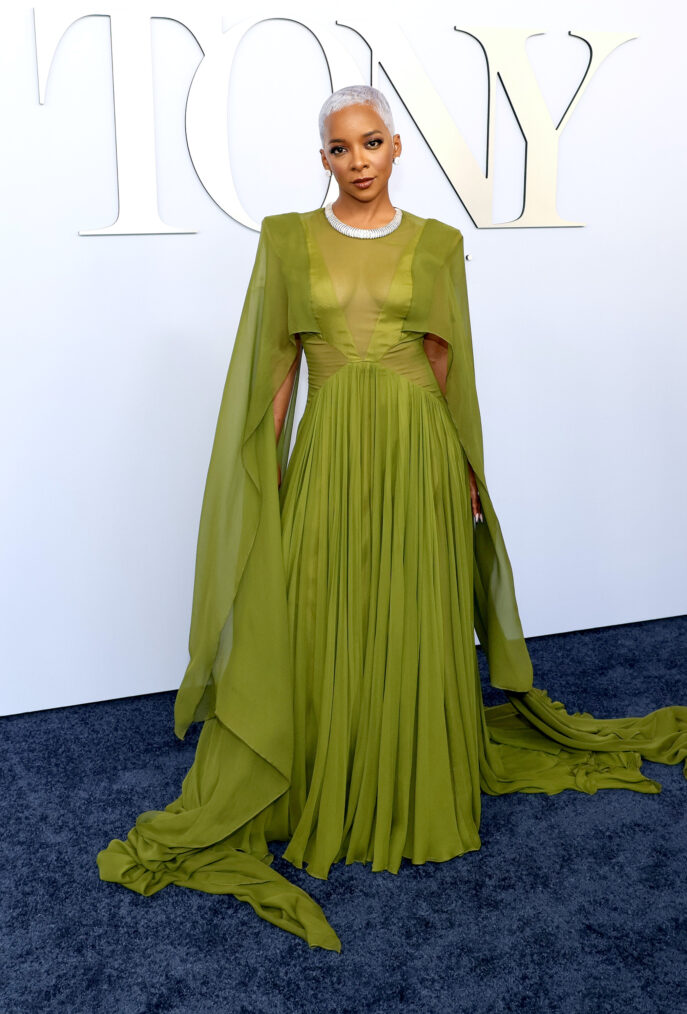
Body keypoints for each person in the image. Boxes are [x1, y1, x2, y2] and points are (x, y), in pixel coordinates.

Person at [97, 85, 687, 953]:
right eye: (340, 148)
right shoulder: (286, 240)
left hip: (418, 452)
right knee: (318, 611)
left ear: (397, 146)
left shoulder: (439, 243)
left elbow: (451, 362)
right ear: (324, 158)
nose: (358, 160)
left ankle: (413, 777)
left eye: (371, 142)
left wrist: (468, 469)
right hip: (332, 450)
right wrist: (266, 476)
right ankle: (319, 774)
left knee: (413, 611)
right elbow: (276, 369)